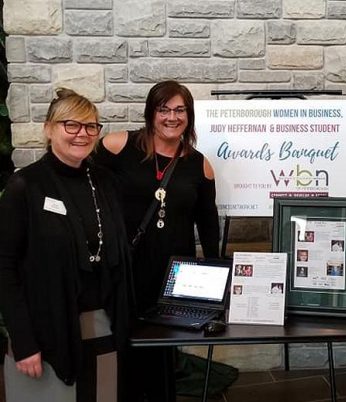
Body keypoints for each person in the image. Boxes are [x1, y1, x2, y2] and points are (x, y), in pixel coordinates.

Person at [0, 89, 131, 401]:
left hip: (102, 329)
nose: (82, 134)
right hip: (45, 333)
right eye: (70, 125)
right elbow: (5, 269)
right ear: (49, 128)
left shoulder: (105, 182)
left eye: (90, 126)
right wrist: (23, 342)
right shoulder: (25, 187)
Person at [94, 80, 220, 402]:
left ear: (189, 116)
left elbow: (207, 223)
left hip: (173, 274)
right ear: (151, 112)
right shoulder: (119, 146)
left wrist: (217, 271)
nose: (172, 117)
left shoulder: (199, 164)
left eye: (180, 110)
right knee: (125, 344)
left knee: (163, 350)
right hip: (127, 267)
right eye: (164, 109)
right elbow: (86, 189)